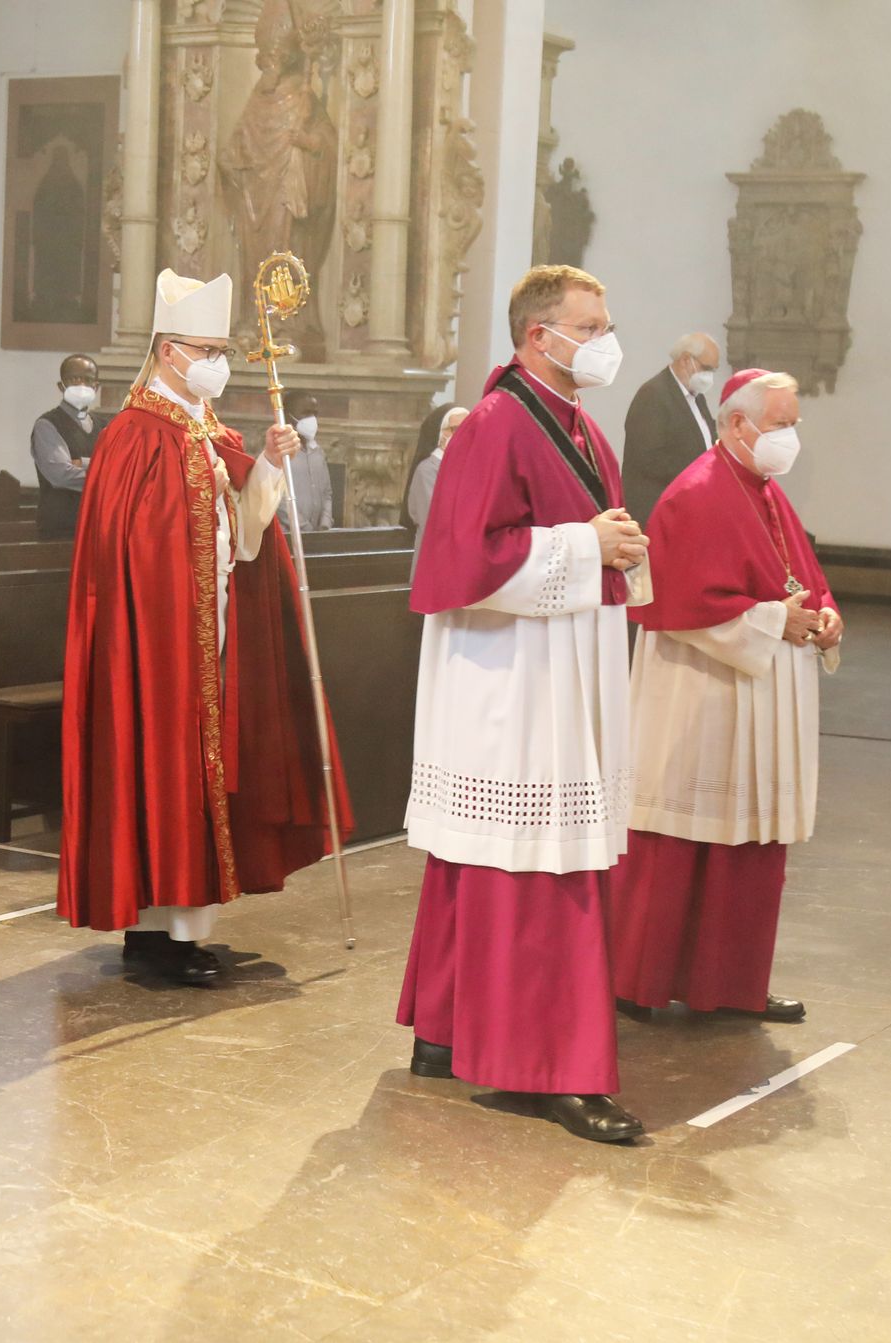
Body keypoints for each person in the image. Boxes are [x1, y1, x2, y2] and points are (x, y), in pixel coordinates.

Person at [399, 264, 652, 1143]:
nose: (607, 341)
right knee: (540, 868)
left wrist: (615, 546)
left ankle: (447, 1029)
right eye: (592, 326)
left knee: (492, 858)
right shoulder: (498, 422)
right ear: (540, 336)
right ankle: (545, 1068)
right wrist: (587, 545)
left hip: (556, 662)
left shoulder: (577, 423)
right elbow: (466, 557)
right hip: (511, 677)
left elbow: (588, 533)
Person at [58, 268, 350, 985]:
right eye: (208, 350)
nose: (218, 363)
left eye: (222, 350)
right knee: (159, 763)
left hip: (209, 626)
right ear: (168, 352)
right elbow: (130, 551)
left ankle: (175, 930)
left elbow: (244, 538)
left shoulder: (207, 430)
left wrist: (267, 466)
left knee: (197, 773)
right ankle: (158, 936)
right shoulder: (135, 436)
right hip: (156, 642)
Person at [610, 369, 841, 1025]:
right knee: (680, 841)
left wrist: (825, 616)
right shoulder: (696, 493)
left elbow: (801, 577)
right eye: (780, 424)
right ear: (738, 424)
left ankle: (733, 984)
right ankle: (637, 982)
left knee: (751, 845)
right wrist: (775, 621)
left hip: (758, 694)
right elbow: (683, 602)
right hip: (702, 695)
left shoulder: (766, 491)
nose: (790, 437)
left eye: (793, 424)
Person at [621, 332, 719, 521]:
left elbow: (707, 439)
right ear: (686, 360)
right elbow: (649, 459)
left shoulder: (697, 397)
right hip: (658, 509)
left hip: (689, 504)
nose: (709, 376)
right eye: (706, 368)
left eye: (713, 370)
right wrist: (700, 472)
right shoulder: (653, 394)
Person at [29, 353, 106, 538]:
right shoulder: (47, 424)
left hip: (96, 526)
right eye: (74, 379)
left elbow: (122, 467)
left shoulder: (105, 426)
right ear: (61, 385)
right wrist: (107, 474)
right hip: (61, 529)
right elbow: (61, 476)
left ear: (96, 386)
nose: (81, 385)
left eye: (88, 380)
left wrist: (82, 462)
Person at [406, 405, 468, 578]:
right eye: (455, 429)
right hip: (435, 563)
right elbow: (433, 522)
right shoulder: (427, 470)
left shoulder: (469, 468)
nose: (464, 435)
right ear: (440, 433)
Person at [274, 389, 335, 531]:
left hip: (317, 534)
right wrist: (305, 528)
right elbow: (279, 500)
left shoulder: (318, 453)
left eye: (314, 414)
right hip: (289, 535)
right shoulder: (279, 454)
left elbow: (327, 493)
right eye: (306, 413)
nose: (312, 419)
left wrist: (325, 523)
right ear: (287, 417)